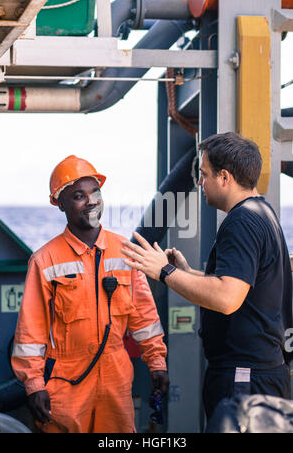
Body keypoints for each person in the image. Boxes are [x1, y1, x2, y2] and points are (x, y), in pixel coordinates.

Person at [121, 132, 292, 422]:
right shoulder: (262, 212)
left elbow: (227, 298)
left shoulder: (242, 222)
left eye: (204, 174)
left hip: (244, 379)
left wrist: (165, 272)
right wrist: (187, 273)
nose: (200, 183)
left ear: (224, 177)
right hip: (259, 373)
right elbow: (242, 286)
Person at [11, 155, 169, 433]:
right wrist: (34, 384)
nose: (91, 201)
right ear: (61, 204)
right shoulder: (45, 260)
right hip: (66, 382)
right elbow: (31, 331)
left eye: (95, 193)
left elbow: (144, 316)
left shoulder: (125, 252)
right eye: (79, 196)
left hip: (116, 378)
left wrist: (156, 362)